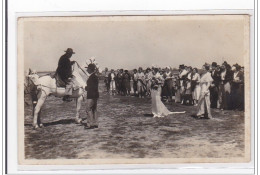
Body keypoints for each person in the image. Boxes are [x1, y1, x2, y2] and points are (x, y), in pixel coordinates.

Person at [85, 63, 99, 129]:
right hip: (95, 95)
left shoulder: (91, 77)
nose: (87, 69)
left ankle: (90, 124)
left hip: (91, 95)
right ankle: (96, 123)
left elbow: (91, 87)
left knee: (88, 109)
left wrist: (86, 88)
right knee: (94, 109)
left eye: (88, 68)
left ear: (90, 69)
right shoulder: (95, 76)